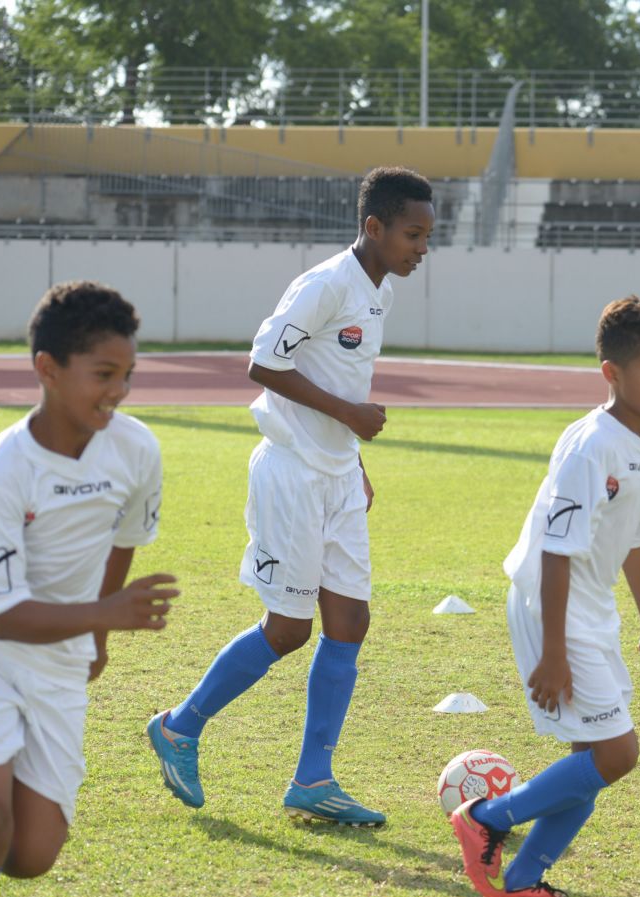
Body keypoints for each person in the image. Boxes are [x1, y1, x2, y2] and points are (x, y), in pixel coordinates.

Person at [147, 166, 435, 825]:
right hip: (290, 474)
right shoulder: (327, 284)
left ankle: (313, 780)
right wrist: (351, 415)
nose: (422, 247)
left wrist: (351, 455)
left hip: (333, 473)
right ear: (374, 227)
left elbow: (339, 371)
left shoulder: (377, 292)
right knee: (288, 629)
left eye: (427, 235)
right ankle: (180, 727)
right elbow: (263, 363)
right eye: (412, 234)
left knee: (350, 623)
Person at [0, 283, 176, 897]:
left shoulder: (137, 448)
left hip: (57, 661)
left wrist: (98, 627)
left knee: (32, 854)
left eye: (128, 374)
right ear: (47, 369)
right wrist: (107, 616)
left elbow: (123, 533)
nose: (118, 392)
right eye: (102, 374)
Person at [451, 296, 640, 897]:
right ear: (613, 373)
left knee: (593, 755)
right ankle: (486, 818)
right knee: (617, 753)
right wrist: (553, 651)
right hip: (552, 603)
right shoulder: (588, 448)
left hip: (591, 604)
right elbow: (555, 553)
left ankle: (523, 881)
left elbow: (634, 539)